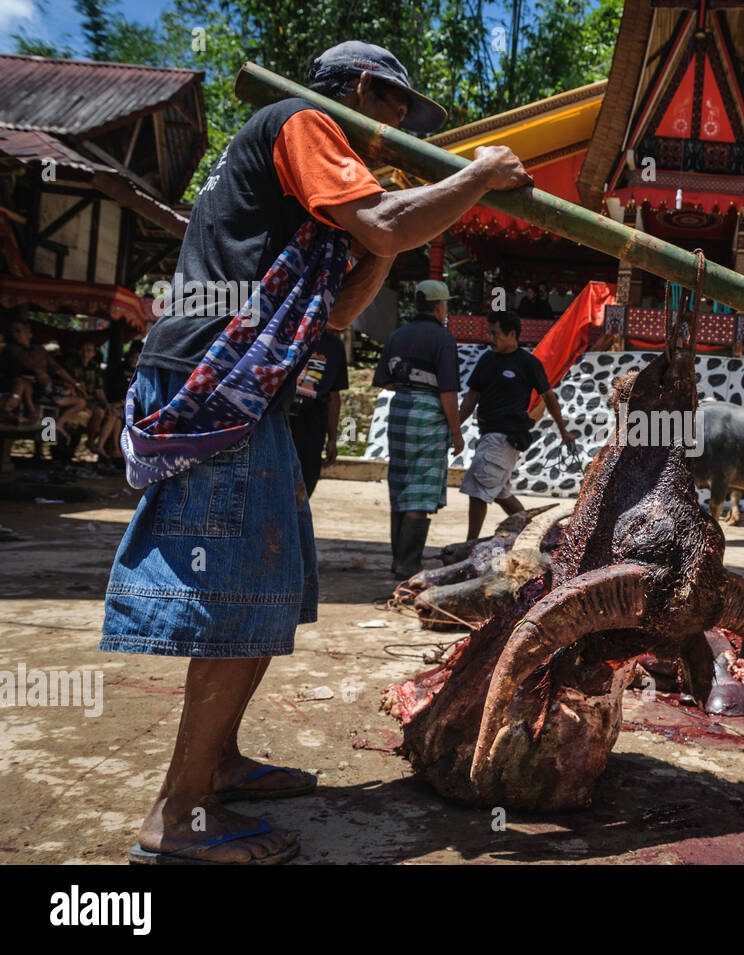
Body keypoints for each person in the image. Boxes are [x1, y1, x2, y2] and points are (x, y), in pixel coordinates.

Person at [99, 40, 531, 865]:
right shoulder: (305, 119)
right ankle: (176, 814)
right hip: (216, 375)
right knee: (235, 597)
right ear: (366, 91)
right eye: (395, 114)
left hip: (244, 388)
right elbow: (379, 221)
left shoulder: (309, 181)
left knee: (267, 588)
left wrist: (388, 238)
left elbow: (338, 311)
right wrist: (473, 177)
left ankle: (216, 764)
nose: (393, 135)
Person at [374, 279, 463, 577]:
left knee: (400, 483)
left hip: (400, 410)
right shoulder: (443, 339)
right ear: (439, 306)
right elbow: (448, 392)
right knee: (420, 488)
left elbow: (384, 380)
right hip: (428, 413)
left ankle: (398, 559)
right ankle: (408, 563)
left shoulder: (398, 335)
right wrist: (456, 432)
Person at [459, 309, 573, 540]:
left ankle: (469, 545)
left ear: (512, 334)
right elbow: (472, 396)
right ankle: (542, 536)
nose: (490, 339)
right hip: (489, 435)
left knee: (478, 492)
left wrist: (563, 431)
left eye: (495, 334)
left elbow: (549, 397)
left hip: (505, 437)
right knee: (501, 494)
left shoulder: (527, 362)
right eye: (489, 333)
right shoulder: (487, 359)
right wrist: (454, 428)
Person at [287, 327, 348, 497]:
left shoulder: (334, 345)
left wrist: (333, 438)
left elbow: (334, 396)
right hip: (283, 416)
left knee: (307, 481)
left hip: (313, 421)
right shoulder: (286, 334)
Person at [65, 339, 119, 470]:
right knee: (99, 412)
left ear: (94, 353)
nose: (85, 353)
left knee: (113, 414)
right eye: (83, 350)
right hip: (76, 399)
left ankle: (99, 445)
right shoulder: (71, 365)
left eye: (89, 350)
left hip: (91, 400)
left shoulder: (95, 367)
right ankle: (90, 441)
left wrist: (106, 404)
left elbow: (99, 389)